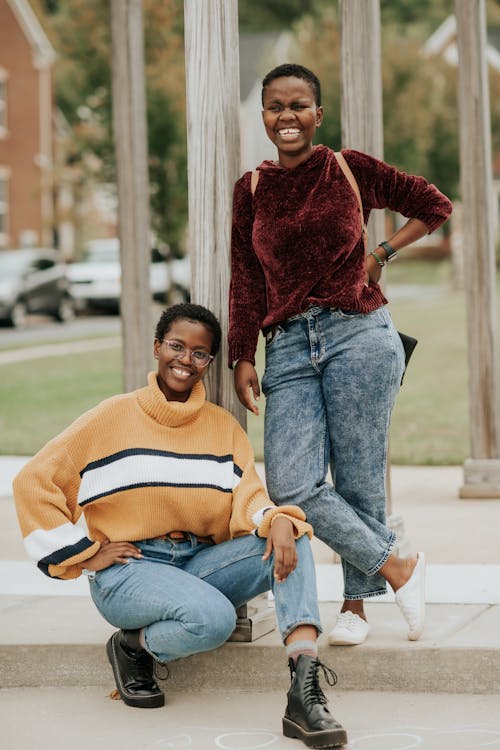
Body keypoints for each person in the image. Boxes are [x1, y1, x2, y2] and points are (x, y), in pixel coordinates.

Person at [13, 302, 348, 749]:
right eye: (176, 346)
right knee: (214, 620)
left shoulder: (222, 428)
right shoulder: (111, 417)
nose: (185, 360)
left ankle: (304, 691)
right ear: (157, 348)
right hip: (129, 570)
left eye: (200, 353)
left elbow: (246, 497)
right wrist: (86, 554)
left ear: (210, 362)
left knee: (292, 536)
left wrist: (273, 519)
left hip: (196, 562)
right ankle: (132, 645)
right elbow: (33, 482)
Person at [229, 63, 453, 648]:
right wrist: (241, 353)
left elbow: (433, 205)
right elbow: (246, 277)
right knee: (292, 484)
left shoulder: (348, 169)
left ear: (318, 114)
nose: (287, 117)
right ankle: (398, 565)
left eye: (298, 105)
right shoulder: (251, 189)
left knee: (358, 474)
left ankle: (356, 606)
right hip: (289, 349)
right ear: (263, 117)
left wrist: (382, 251)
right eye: (275, 107)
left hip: (358, 332)